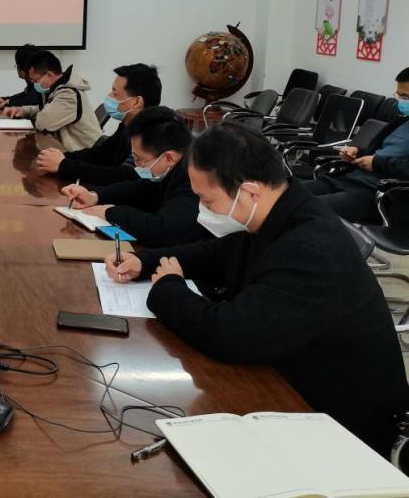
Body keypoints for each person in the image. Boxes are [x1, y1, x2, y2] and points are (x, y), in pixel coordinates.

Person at [105, 123, 409, 455]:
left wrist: (168, 288)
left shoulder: (309, 248)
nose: (201, 210)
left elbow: (229, 335)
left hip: (339, 426)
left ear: (249, 192)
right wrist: (145, 262)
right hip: (289, 378)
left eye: (206, 199)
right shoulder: (281, 210)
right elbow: (218, 253)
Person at [60, 106, 201, 247]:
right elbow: (143, 189)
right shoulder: (174, 165)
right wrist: (95, 196)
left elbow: (162, 230)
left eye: (140, 159)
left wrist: (110, 212)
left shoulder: (195, 179)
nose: (136, 164)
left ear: (169, 158)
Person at [303, 67, 409, 222]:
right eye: (399, 96)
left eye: (406, 97)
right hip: (351, 178)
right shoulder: (402, 120)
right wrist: (356, 152)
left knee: (306, 211)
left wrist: (377, 163)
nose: (402, 102)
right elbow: (379, 151)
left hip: (376, 192)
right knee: (286, 195)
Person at [36, 63, 162, 184]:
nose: (109, 96)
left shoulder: (151, 135)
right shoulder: (128, 124)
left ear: (136, 102)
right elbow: (101, 154)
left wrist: (64, 165)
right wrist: (62, 157)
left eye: (115, 93)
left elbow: (122, 176)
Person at [1, 50, 101, 151]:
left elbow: (43, 123)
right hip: (68, 150)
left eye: (35, 80)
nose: (34, 84)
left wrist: (36, 114)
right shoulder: (57, 89)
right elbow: (45, 110)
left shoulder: (68, 95)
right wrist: (23, 111)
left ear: (49, 75)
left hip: (86, 154)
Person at [0, 43, 42, 110]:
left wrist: (8, 102)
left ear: (23, 70)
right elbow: (24, 95)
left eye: (17, 65)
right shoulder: (32, 82)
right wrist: (4, 99)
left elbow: (31, 101)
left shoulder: (40, 83)